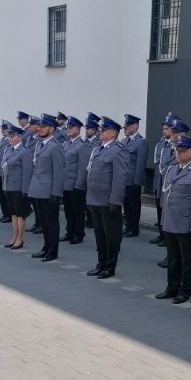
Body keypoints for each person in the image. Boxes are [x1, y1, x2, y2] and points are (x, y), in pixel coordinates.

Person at [155, 135, 191, 304]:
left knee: (187, 260)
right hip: (171, 222)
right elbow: (167, 197)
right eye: (176, 150)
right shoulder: (172, 169)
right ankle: (171, 287)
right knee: (172, 258)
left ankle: (185, 290)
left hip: (187, 224)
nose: (177, 154)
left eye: (181, 151)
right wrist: (163, 220)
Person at [85, 116, 129, 279]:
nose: (100, 132)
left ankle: (110, 267)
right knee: (99, 234)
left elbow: (120, 178)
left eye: (103, 130)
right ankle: (101, 263)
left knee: (111, 235)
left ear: (113, 133)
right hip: (95, 199)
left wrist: (115, 201)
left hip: (108, 201)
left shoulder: (118, 150)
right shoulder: (98, 149)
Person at [27, 114, 65, 262]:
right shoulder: (39, 144)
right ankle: (45, 246)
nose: (40, 129)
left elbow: (59, 172)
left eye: (43, 127)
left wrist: (56, 193)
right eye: (40, 126)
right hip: (37, 189)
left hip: (48, 191)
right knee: (43, 221)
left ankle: (52, 250)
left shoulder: (55, 146)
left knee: (51, 222)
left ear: (52, 128)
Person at [156, 118, 190, 269]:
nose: (173, 135)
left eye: (177, 133)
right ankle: (170, 256)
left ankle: (175, 259)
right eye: (172, 132)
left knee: (177, 232)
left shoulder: (187, 152)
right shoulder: (165, 149)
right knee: (167, 228)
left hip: (179, 197)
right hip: (166, 193)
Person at [1, 123, 33, 249]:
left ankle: (20, 239)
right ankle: (14, 237)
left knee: (20, 214)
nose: (10, 138)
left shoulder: (24, 152)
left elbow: (27, 172)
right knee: (13, 213)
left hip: (19, 188)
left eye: (13, 136)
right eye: (9, 136)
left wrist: (25, 190)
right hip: (9, 186)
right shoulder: (8, 149)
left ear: (19, 137)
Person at [150, 114, 176, 246]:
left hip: (169, 183)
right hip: (159, 182)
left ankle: (167, 236)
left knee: (167, 210)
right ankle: (161, 233)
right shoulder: (160, 144)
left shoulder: (176, 146)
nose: (164, 130)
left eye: (167, 128)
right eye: (164, 128)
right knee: (159, 209)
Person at [61, 116, 86, 244]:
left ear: (78, 129)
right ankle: (69, 231)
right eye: (67, 128)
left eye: (71, 128)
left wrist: (79, 185)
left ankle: (78, 233)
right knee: (68, 210)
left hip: (75, 184)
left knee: (78, 210)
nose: (68, 130)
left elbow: (82, 168)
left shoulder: (81, 146)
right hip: (66, 183)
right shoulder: (66, 143)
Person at [121, 114, 147, 238]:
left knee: (134, 205)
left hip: (133, 180)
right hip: (124, 179)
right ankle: (128, 225)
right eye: (125, 125)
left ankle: (134, 228)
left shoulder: (140, 142)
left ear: (135, 126)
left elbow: (140, 164)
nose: (126, 128)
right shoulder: (124, 141)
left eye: (128, 125)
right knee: (126, 204)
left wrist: (137, 182)